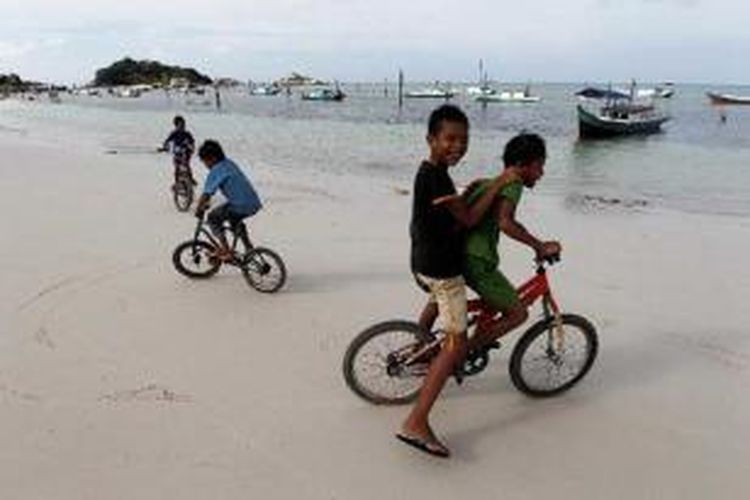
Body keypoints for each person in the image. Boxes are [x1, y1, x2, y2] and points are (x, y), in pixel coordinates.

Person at [397, 104, 516, 458]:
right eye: (449, 139)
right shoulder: (435, 177)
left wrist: (473, 189)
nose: (457, 146)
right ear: (431, 139)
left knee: (443, 306)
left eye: (464, 140)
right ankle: (416, 422)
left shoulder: (433, 173)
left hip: (423, 261)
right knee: (456, 344)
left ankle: (417, 352)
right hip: (440, 270)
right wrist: (499, 183)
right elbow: (468, 219)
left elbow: (450, 209)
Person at [194, 140, 262, 261]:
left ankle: (226, 250)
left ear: (213, 158)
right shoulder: (230, 163)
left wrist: (199, 208)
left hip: (239, 206)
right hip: (253, 203)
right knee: (234, 221)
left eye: (205, 162)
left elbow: (206, 193)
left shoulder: (216, 170)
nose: (206, 165)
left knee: (213, 218)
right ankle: (248, 247)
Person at [160, 115, 197, 186]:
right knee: (177, 167)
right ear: (176, 125)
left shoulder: (187, 134)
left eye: (183, 124)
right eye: (180, 125)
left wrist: (192, 148)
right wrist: (165, 147)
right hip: (177, 153)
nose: (182, 126)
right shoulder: (174, 133)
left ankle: (191, 178)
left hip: (186, 152)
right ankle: (177, 183)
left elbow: (192, 142)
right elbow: (167, 141)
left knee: (186, 165)